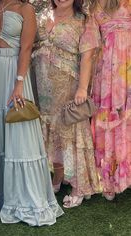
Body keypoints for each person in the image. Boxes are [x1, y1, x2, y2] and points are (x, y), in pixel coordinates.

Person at [0, 0, 63, 226]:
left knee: (18, 130)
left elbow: (25, 48)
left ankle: (22, 199)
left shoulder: (26, 9)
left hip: (12, 73)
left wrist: (18, 83)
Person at [32, 0, 101, 208]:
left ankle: (79, 187)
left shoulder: (84, 20)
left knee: (70, 132)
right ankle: (58, 176)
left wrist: (82, 88)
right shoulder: (44, 15)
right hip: (43, 88)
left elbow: (87, 57)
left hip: (69, 88)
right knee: (52, 132)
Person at [91, 0, 131, 200]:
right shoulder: (94, 5)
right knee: (106, 119)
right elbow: (90, 40)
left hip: (127, 68)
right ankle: (108, 177)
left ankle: (126, 174)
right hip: (104, 71)